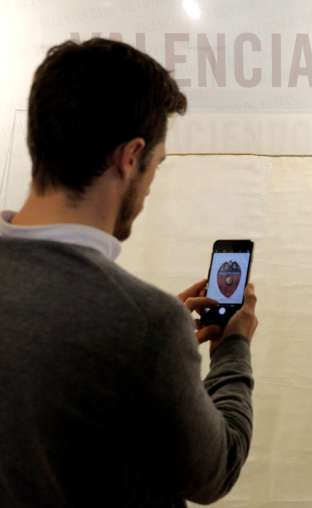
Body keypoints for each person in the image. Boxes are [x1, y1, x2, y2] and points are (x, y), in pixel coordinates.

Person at [0, 38, 258, 507]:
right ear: (130, 157)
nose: (150, 188)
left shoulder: (144, 329)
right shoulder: (146, 326)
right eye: (156, 164)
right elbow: (215, 470)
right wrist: (232, 349)